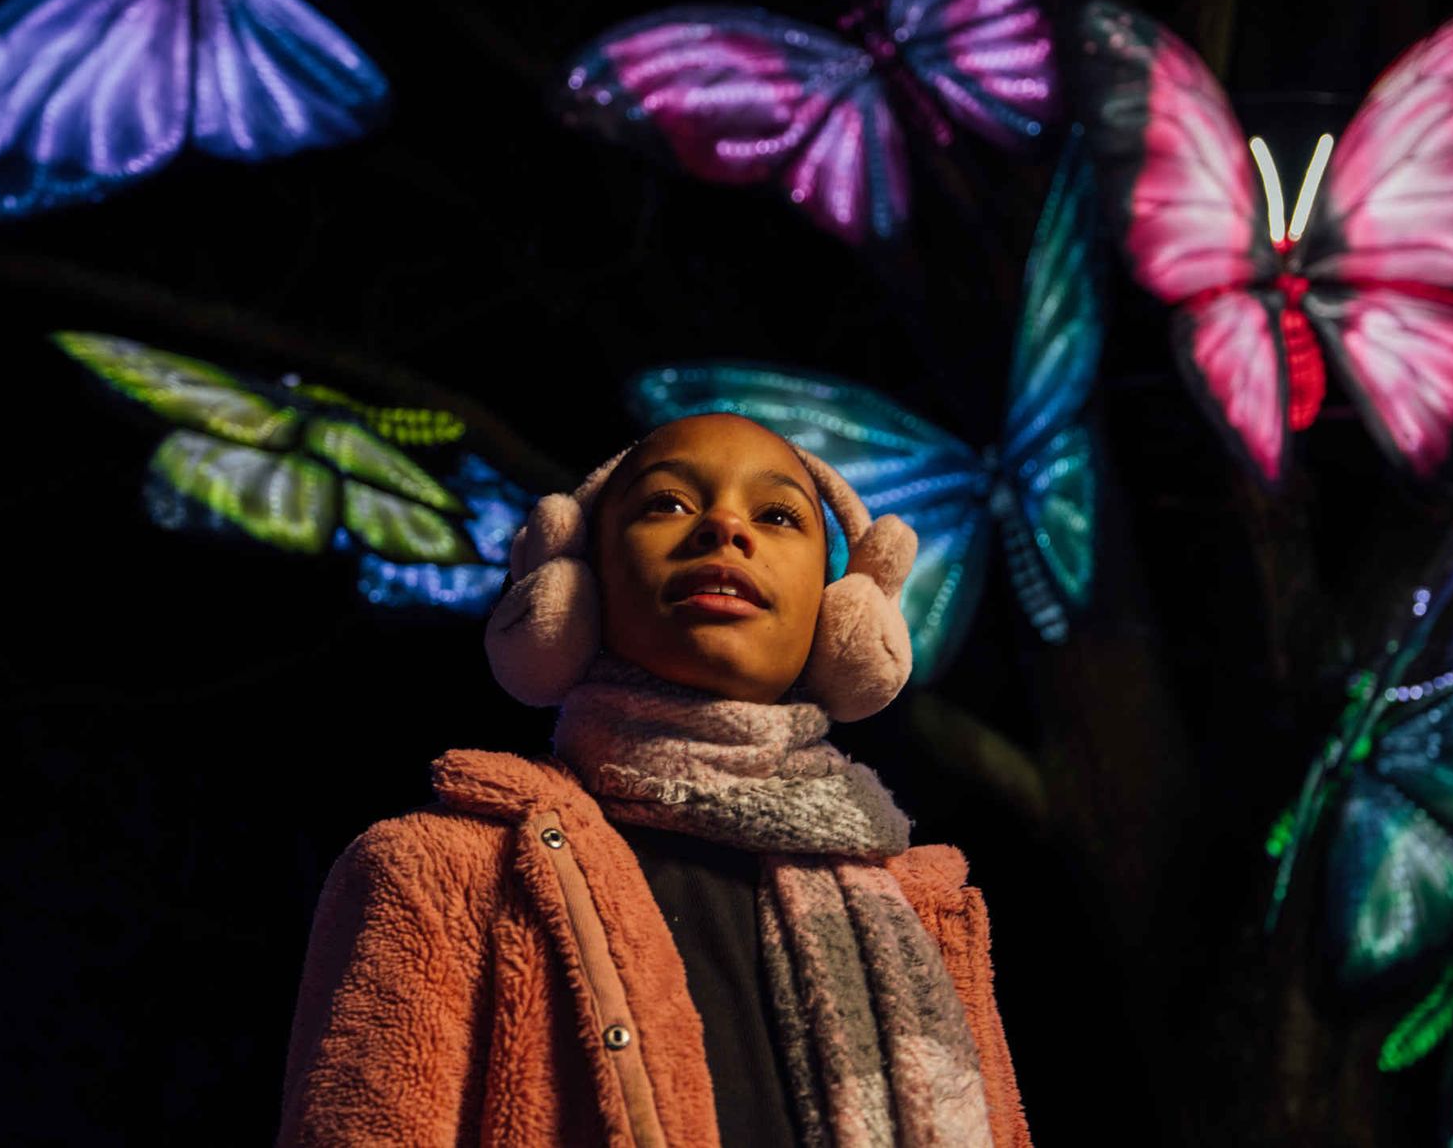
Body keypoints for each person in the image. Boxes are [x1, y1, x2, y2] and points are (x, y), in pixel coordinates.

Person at [274, 413, 1031, 1146]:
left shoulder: (926, 912)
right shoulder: (439, 874)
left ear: (843, 617)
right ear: (575, 590)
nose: (724, 528)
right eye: (667, 503)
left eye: (776, 516)